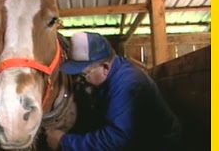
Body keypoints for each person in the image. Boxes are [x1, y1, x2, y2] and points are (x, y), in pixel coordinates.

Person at [46, 32, 181, 151]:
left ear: (105, 67)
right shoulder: (113, 71)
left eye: (83, 75)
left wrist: (64, 142)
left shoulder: (127, 84)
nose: (81, 80)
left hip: (159, 144)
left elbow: (116, 140)